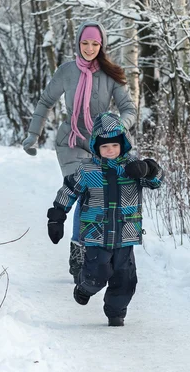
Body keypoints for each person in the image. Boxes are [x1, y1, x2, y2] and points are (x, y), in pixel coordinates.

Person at [22, 20, 137, 280]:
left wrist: (117, 126)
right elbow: (46, 101)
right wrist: (33, 134)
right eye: (85, 43)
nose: (89, 48)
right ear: (78, 43)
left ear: (102, 45)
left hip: (101, 142)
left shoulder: (112, 75)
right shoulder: (67, 71)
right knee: (83, 190)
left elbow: (130, 109)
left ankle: (84, 246)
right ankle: (79, 251)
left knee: (96, 195)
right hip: (71, 140)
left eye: (94, 43)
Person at [45, 112, 163, 327]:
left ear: (123, 145)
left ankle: (115, 312)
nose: (110, 151)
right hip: (95, 235)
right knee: (97, 273)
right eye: (104, 147)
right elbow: (69, 190)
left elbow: (156, 181)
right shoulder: (88, 169)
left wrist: (148, 169)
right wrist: (57, 215)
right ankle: (84, 286)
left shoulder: (133, 169)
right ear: (96, 147)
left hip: (125, 235)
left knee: (125, 279)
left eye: (114, 146)